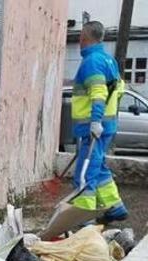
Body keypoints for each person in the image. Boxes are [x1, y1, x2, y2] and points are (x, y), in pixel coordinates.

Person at [70, 20, 128, 222]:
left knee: (85, 176)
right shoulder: (108, 60)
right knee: (99, 167)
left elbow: (98, 92)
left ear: (83, 38)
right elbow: (119, 90)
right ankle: (115, 206)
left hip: (93, 128)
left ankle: (82, 219)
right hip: (106, 126)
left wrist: (95, 121)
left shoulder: (92, 61)